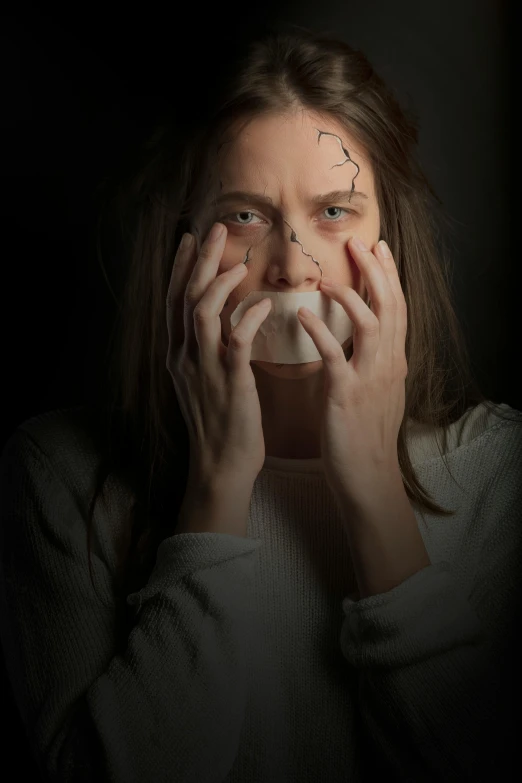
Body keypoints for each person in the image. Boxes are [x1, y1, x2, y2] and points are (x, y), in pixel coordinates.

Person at [1, 25, 521, 783]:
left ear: (390, 239)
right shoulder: (59, 481)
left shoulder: (499, 475)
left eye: (335, 212)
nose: (291, 267)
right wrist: (216, 487)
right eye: (245, 215)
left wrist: (374, 488)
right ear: (184, 242)